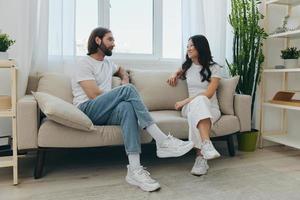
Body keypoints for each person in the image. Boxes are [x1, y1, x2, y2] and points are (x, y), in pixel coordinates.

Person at [71, 27, 194, 192]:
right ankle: (162, 140)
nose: (114, 44)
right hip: (87, 109)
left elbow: (121, 69)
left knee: (127, 107)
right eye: (110, 40)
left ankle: (134, 169)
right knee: (128, 90)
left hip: (106, 111)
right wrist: (123, 89)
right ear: (98, 40)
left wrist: (125, 77)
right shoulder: (83, 63)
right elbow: (93, 95)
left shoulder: (107, 63)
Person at [167, 35, 222, 176]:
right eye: (187, 46)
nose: (188, 48)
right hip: (190, 107)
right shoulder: (187, 66)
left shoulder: (214, 68)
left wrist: (184, 101)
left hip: (211, 108)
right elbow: (177, 71)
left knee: (201, 103)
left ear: (200, 47)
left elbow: (208, 94)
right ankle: (206, 146)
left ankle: (200, 157)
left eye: (192, 45)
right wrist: (174, 74)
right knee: (197, 106)